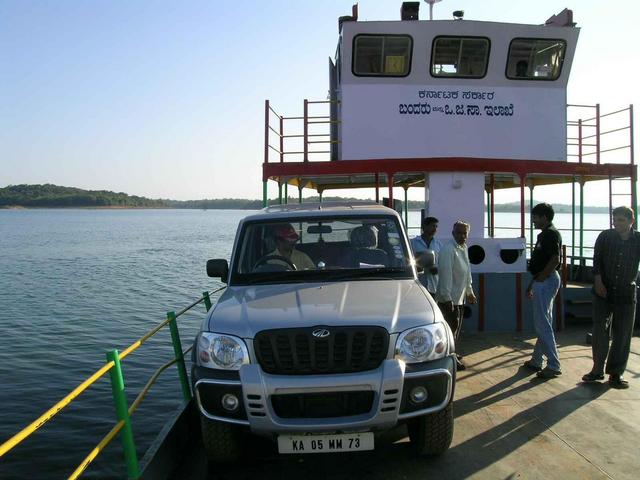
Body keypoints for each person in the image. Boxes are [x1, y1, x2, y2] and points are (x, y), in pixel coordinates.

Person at [582, 206, 640, 389]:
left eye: (621, 220)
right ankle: (597, 369)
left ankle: (615, 374)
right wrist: (598, 281)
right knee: (600, 330)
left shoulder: (638, 240)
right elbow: (597, 259)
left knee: (622, 335)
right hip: (603, 291)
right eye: (614, 220)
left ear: (631, 221)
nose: (616, 224)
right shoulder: (605, 237)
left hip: (626, 292)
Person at [524, 203, 563, 379]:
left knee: (542, 324)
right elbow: (544, 260)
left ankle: (553, 365)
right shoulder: (547, 234)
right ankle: (537, 360)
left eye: (536, 217)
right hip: (544, 279)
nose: (533, 220)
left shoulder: (549, 235)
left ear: (544, 218)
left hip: (546, 280)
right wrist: (534, 281)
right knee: (544, 321)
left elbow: (555, 259)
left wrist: (540, 279)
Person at [436, 220, 477, 370]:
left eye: (464, 233)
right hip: (449, 298)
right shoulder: (448, 250)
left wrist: (469, 292)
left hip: (459, 297)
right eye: (458, 233)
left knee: (456, 329)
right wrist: (447, 298)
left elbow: (467, 273)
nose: (461, 236)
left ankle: (453, 353)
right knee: (450, 329)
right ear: (453, 233)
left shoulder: (463, 248)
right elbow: (445, 274)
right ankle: (450, 359)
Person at [411, 216, 442, 296]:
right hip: (417, 285)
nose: (435, 229)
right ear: (424, 227)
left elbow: (442, 264)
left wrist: (437, 269)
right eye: (432, 226)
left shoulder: (439, 245)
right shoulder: (413, 243)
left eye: (436, 226)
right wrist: (415, 267)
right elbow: (407, 261)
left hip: (434, 286)